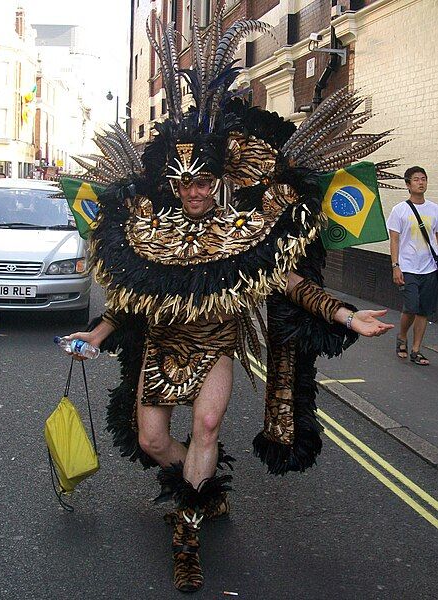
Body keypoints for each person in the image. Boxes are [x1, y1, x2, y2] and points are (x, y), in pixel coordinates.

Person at [63, 2, 394, 592]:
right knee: (152, 441)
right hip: (163, 350)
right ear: (173, 182)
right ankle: (200, 481)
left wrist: (345, 312)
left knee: (209, 425)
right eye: (182, 181)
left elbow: (285, 281)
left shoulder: (244, 229)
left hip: (217, 347)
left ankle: (187, 534)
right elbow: (134, 298)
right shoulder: (151, 231)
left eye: (200, 180)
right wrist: (97, 334)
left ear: (214, 180)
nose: (192, 190)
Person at [387, 166, 438, 365]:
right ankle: (402, 336)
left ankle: (416, 350)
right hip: (408, 267)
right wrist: (395, 266)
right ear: (408, 184)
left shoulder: (434, 209)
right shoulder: (399, 210)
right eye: (416, 179)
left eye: (423, 179)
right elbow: (394, 240)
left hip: (430, 267)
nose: (421, 182)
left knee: (424, 310)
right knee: (411, 307)